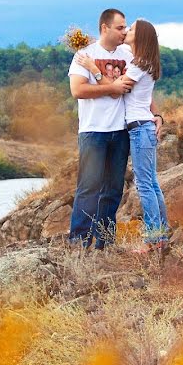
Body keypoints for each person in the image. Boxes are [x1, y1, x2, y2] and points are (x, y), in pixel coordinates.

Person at [76, 19, 168, 253]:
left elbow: (118, 90)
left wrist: (94, 68)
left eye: (132, 29)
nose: (127, 31)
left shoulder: (138, 65)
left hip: (138, 127)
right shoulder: (142, 61)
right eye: (123, 27)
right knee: (152, 184)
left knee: (146, 186)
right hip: (141, 125)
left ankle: (153, 240)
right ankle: (160, 236)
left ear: (141, 37)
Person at [67, 9, 133, 250]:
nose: (124, 31)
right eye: (119, 27)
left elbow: (132, 88)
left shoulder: (127, 54)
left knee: (113, 189)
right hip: (93, 131)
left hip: (121, 130)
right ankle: (78, 244)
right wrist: (111, 88)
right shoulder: (84, 55)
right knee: (89, 187)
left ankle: (105, 243)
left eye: (125, 27)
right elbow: (78, 90)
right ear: (104, 28)